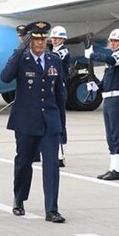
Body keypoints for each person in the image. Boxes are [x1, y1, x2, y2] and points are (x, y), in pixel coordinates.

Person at [1, 21, 67, 222]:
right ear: (30, 40)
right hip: (26, 121)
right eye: (35, 39)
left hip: (50, 120)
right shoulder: (21, 59)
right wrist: (20, 49)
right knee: (23, 162)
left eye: (42, 38)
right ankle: (19, 198)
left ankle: (51, 209)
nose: (39, 42)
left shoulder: (54, 60)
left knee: (52, 166)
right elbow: (5, 78)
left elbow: (60, 95)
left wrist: (62, 126)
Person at [87, 29, 119, 180]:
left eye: (116, 41)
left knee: (116, 133)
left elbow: (111, 61)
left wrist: (93, 55)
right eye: (111, 41)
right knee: (110, 134)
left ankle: (118, 169)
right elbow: (107, 81)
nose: (113, 43)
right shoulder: (113, 57)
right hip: (108, 99)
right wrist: (97, 86)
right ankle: (113, 167)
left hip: (117, 100)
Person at [49, 25, 72, 166]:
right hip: (51, 89)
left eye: (57, 38)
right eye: (53, 37)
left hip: (59, 89)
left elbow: (53, 61)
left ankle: (60, 153)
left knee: (59, 121)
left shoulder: (63, 52)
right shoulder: (53, 52)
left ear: (63, 39)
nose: (54, 39)